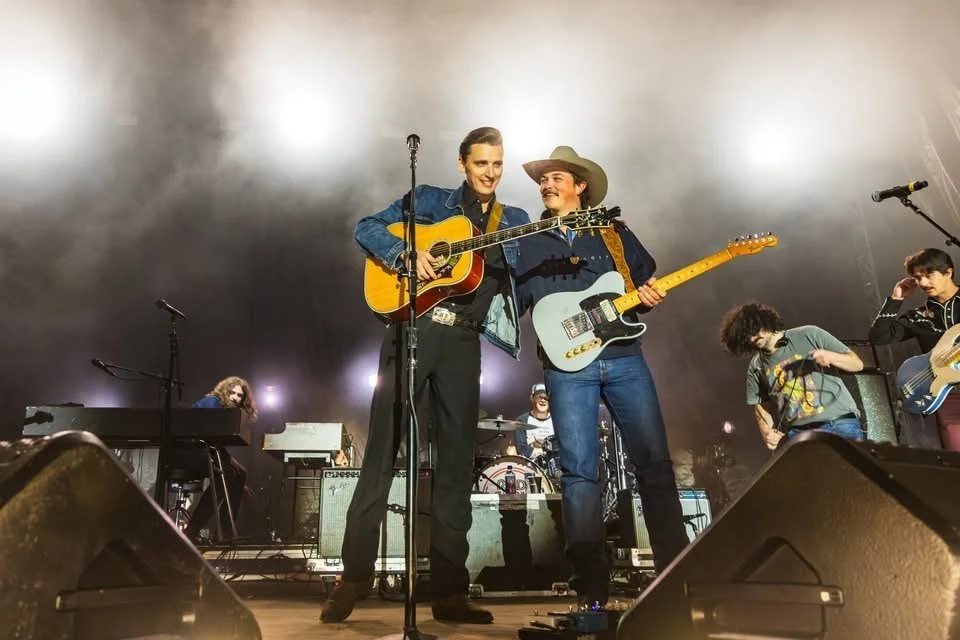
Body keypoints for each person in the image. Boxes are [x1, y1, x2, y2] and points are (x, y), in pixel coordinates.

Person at [321, 127, 531, 625]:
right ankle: (353, 577)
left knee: (457, 462)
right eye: (481, 164)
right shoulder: (431, 199)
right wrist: (406, 255)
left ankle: (450, 593)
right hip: (410, 328)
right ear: (463, 164)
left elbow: (536, 274)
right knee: (381, 454)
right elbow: (367, 227)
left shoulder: (517, 221)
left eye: (497, 164)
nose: (490, 173)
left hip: (463, 341)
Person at [512, 146, 688, 608]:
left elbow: (639, 286)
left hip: (625, 354)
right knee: (579, 472)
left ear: (579, 185)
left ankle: (678, 571)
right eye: (542, 180)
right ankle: (590, 583)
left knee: (653, 464)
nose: (547, 185)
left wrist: (647, 296)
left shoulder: (612, 231)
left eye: (555, 178)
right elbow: (509, 301)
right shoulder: (526, 240)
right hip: (565, 364)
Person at [719, 302, 865, 450]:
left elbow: (857, 364)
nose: (751, 338)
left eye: (753, 330)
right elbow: (762, 405)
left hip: (838, 425)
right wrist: (767, 433)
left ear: (764, 321)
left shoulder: (809, 334)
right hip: (797, 435)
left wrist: (831, 356)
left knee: (851, 473)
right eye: (746, 337)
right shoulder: (755, 366)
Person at [868, 248, 960, 450]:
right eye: (918, 278)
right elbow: (878, 337)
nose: (923, 283)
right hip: (946, 394)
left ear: (948, 272)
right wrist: (896, 299)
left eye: (929, 275)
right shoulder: (918, 316)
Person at [180, 376, 257, 542]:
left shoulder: (224, 411)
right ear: (224, 391)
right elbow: (205, 437)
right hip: (186, 451)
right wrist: (229, 462)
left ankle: (225, 530)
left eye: (239, 395)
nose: (235, 398)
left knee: (240, 474)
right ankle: (193, 529)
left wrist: (234, 463)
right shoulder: (212, 402)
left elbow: (214, 445)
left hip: (203, 450)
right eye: (232, 393)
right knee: (226, 475)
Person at [505, 383, 554, 459]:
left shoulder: (556, 420)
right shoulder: (522, 420)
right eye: (539, 397)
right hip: (530, 466)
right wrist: (543, 452)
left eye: (546, 397)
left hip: (554, 465)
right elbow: (521, 449)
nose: (543, 400)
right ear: (532, 398)